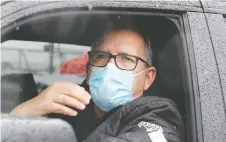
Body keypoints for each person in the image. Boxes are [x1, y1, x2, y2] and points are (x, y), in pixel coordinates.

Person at [10, 28, 183, 142]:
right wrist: (31, 108)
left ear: (147, 78)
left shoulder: (159, 115)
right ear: (88, 69)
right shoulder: (67, 108)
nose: (110, 66)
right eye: (101, 56)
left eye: (126, 59)